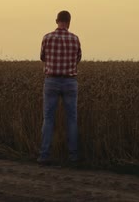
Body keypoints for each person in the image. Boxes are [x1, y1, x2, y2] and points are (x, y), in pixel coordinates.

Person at [38, 10, 82, 165]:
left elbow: (43, 57)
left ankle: (44, 156)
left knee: (49, 119)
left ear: (57, 21)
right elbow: (77, 59)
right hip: (70, 82)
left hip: (51, 81)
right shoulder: (75, 39)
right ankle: (73, 157)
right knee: (72, 119)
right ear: (69, 22)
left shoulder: (47, 38)